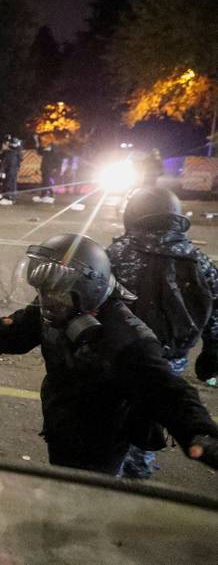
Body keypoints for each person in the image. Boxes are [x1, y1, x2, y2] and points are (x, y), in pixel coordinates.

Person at [0, 233, 218, 475]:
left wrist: (197, 431)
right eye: (42, 290)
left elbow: (167, 390)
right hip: (62, 425)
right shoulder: (56, 305)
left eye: (55, 292)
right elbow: (18, 335)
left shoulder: (126, 336)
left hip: (103, 443)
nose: (46, 299)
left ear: (89, 288)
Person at [106, 187, 218, 477]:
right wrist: (210, 358)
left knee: (111, 422)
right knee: (154, 411)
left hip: (120, 358)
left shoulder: (116, 255)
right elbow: (215, 318)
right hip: (171, 361)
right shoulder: (202, 262)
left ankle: (107, 481)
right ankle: (138, 473)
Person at [33, 134, 59, 204]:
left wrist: (55, 167)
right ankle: (43, 195)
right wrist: (36, 142)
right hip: (44, 167)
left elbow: (57, 158)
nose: (43, 140)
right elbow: (39, 152)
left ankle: (50, 195)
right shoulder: (47, 147)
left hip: (49, 167)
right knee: (44, 181)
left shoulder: (53, 147)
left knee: (47, 181)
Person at [0, 136, 22, 205]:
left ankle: (9, 198)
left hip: (11, 172)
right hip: (9, 171)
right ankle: (7, 197)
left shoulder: (12, 154)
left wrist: (4, 170)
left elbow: (10, 164)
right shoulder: (8, 153)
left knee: (10, 183)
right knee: (6, 183)